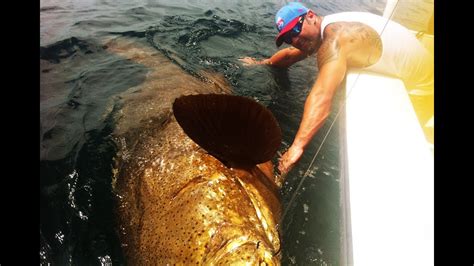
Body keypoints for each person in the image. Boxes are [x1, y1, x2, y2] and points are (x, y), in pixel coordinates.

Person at [239, 2, 433, 175]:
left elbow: (322, 95)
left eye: (295, 30)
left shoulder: (336, 39)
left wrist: (295, 149)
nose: (295, 40)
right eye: (289, 37)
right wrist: (261, 63)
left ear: (311, 16)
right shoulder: (328, 26)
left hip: (424, 94)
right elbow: (290, 55)